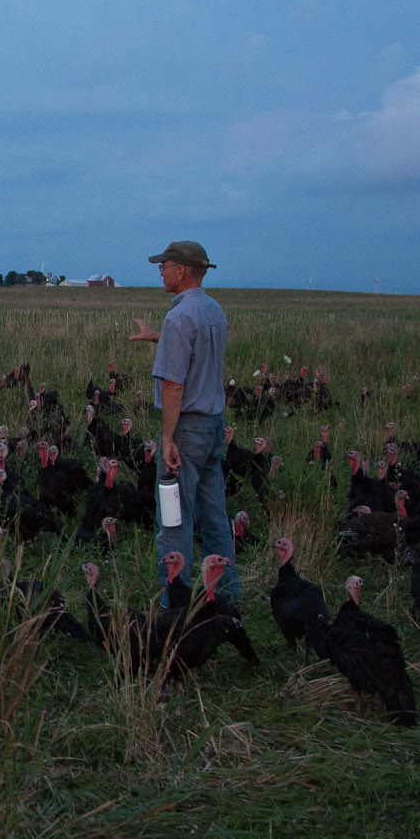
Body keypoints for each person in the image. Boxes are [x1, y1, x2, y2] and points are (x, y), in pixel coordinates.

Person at [128, 239, 238, 609]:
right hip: (213, 427)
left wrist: (168, 437)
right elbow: (198, 348)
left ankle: (175, 603)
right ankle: (224, 596)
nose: (161, 272)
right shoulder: (213, 311)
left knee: (174, 516)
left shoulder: (178, 317)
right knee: (214, 516)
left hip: (186, 431)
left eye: (165, 265)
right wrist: (158, 339)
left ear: (181, 270)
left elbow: (175, 385)